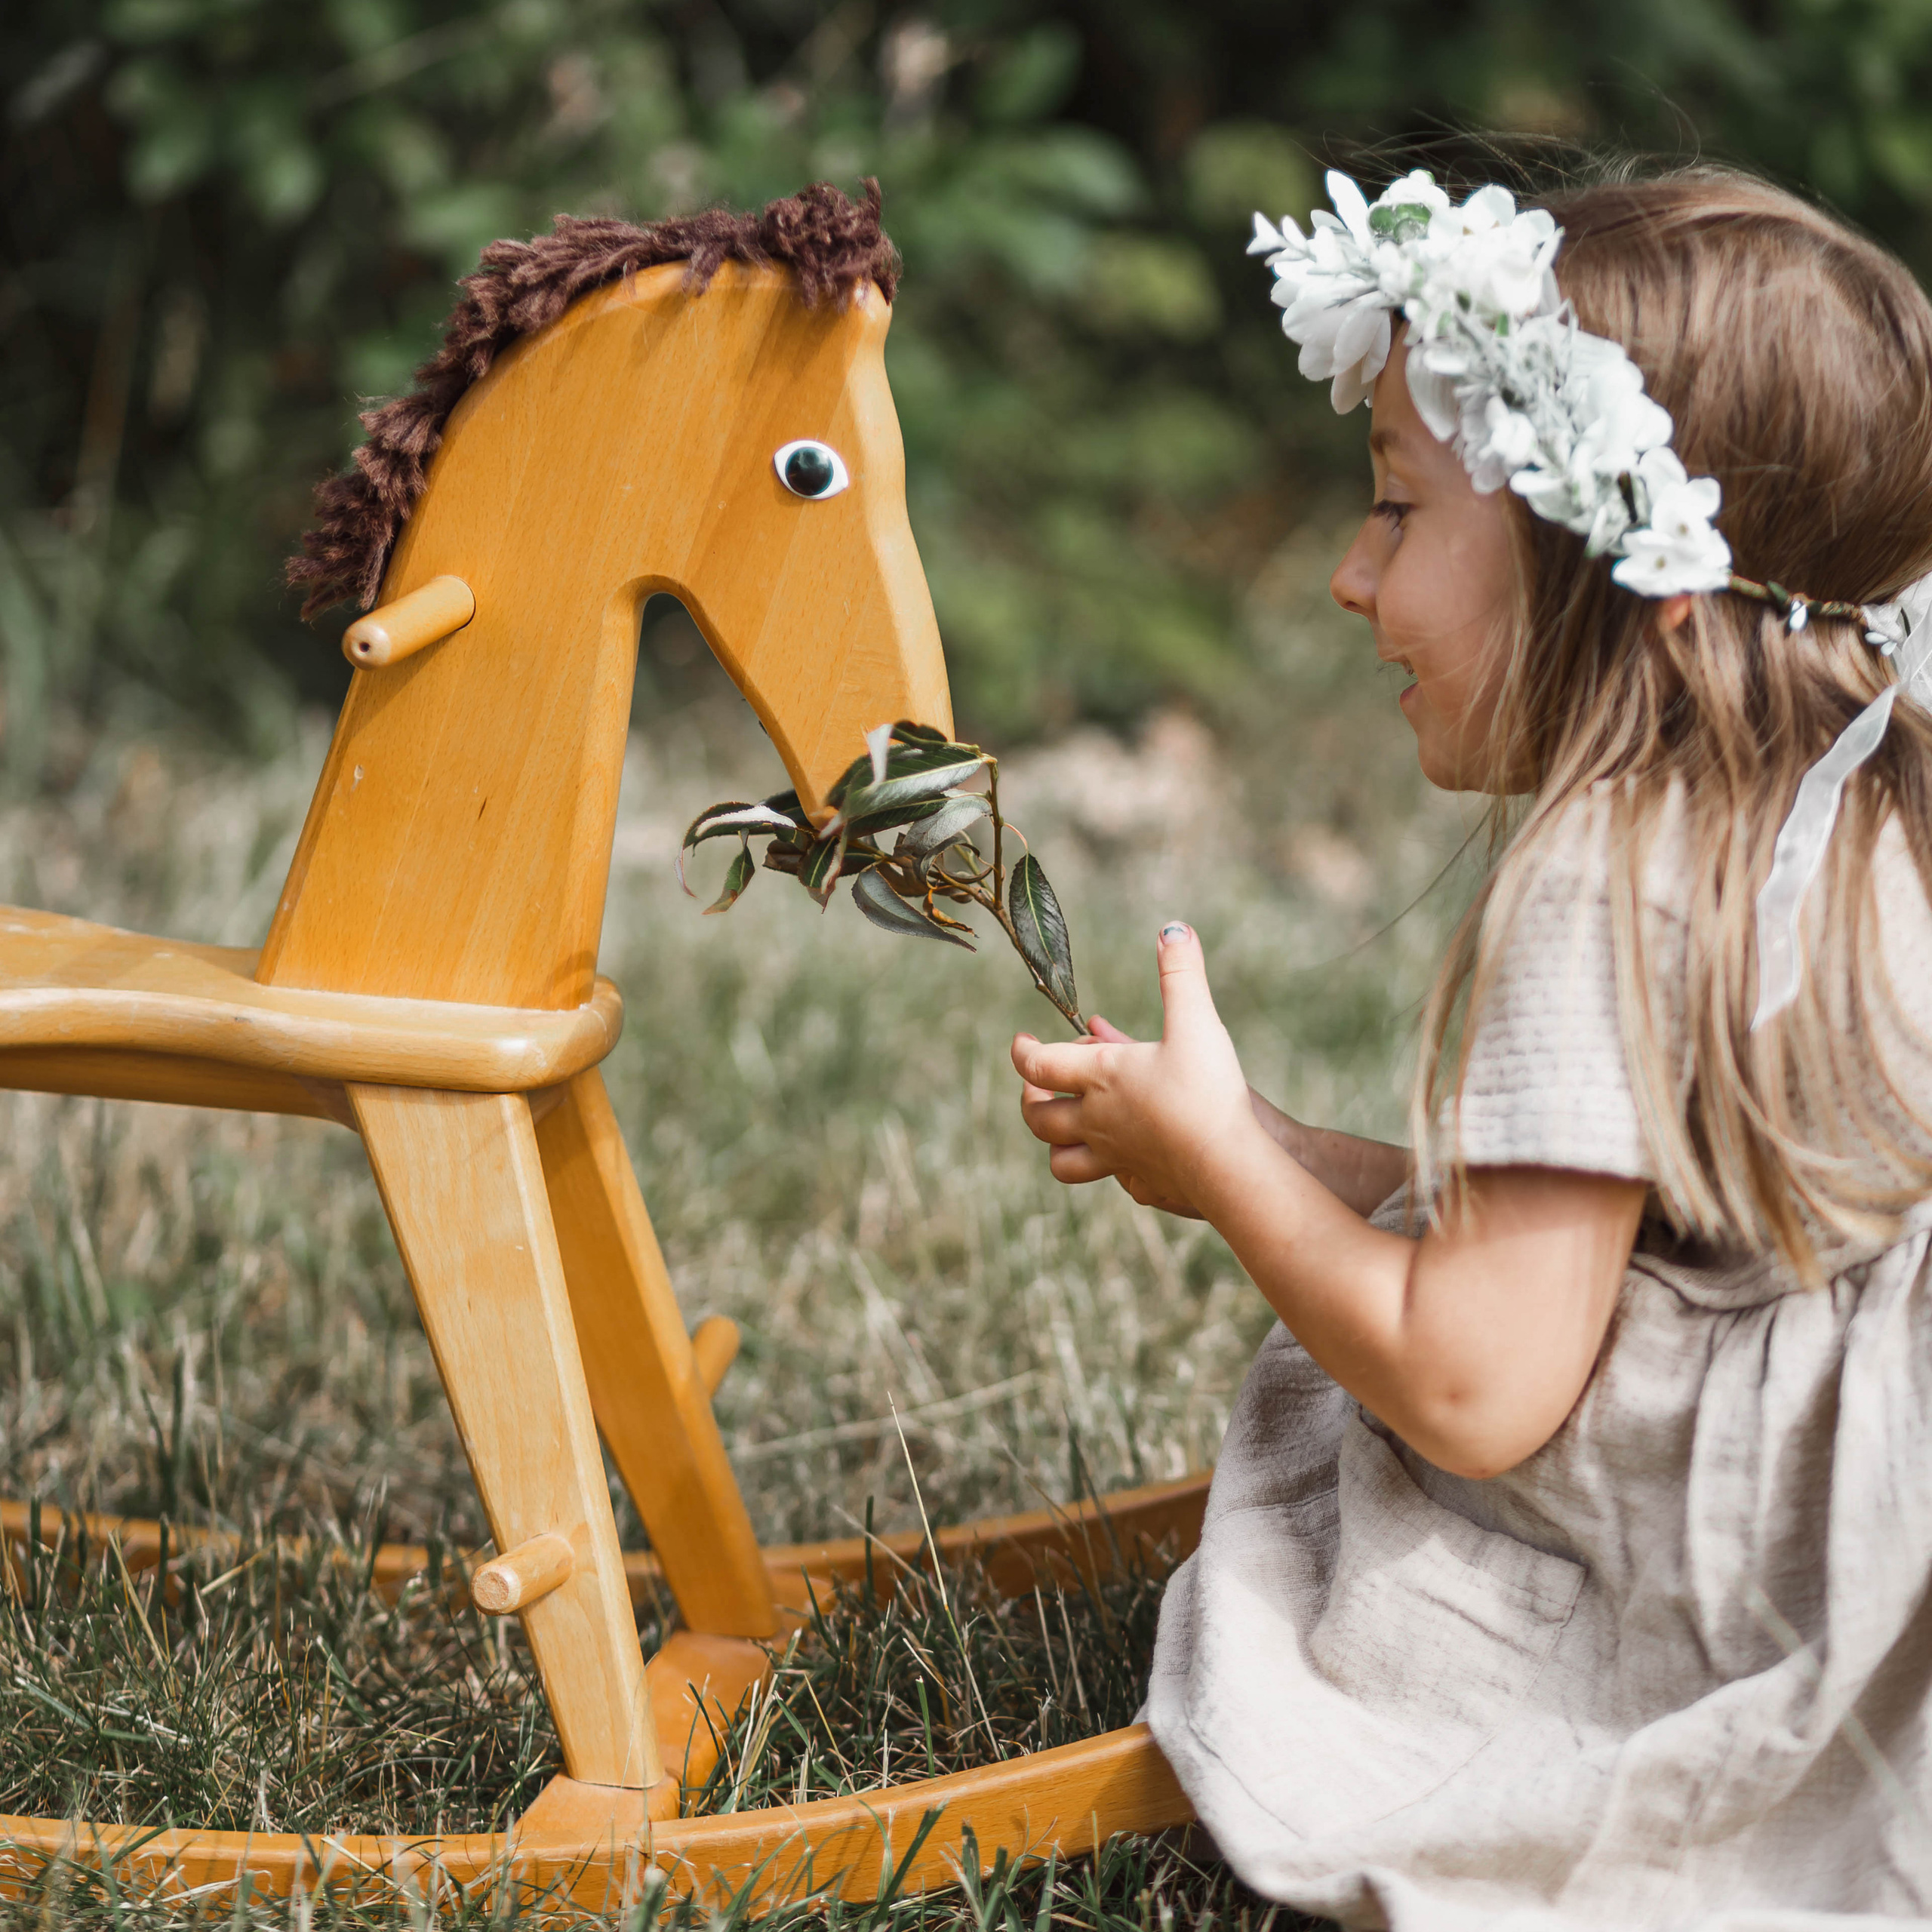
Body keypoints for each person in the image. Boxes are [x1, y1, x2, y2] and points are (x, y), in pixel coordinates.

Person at [1011, 164, 1932, 1928]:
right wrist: (1263, 1134)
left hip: (1766, 1558)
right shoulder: (1844, 791)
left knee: (1348, 1504)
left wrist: (1218, 1174)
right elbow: (1638, 1227)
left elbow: (1473, 1381)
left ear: (1605, 562)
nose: (1352, 579)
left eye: (1393, 509)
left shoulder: (1608, 873)